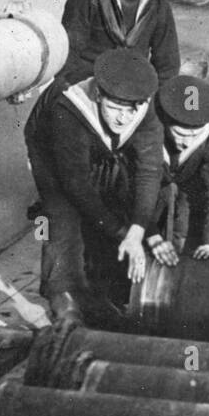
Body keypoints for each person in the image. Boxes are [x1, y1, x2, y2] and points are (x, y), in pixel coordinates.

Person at [24, 47, 163, 323]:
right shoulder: (68, 109)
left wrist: (137, 230)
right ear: (99, 96)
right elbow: (77, 185)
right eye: (114, 109)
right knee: (63, 213)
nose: (122, 119)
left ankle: (98, 290)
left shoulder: (145, 108)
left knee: (117, 196)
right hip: (49, 145)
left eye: (130, 111)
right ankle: (62, 296)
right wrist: (121, 232)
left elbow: (150, 170)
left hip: (100, 145)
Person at [146, 75, 209, 263]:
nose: (186, 142)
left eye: (193, 135)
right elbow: (133, 185)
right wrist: (150, 233)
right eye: (179, 134)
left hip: (191, 184)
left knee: (187, 237)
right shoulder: (148, 122)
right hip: (150, 180)